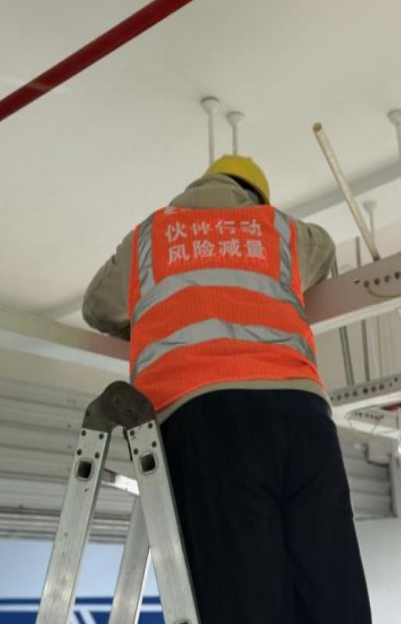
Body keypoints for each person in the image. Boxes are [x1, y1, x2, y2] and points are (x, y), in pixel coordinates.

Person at [83, 155, 372, 624]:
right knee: (334, 596)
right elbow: (324, 248)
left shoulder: (148, 239)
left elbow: (97, 307)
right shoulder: (278, 230)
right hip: (304, 418)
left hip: (206, 421)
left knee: (245, 602)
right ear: (257, 198)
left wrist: (152, 313)